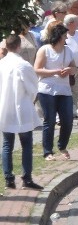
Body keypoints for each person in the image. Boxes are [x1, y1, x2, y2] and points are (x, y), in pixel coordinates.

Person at [1, 35, 43, 190]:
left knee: (7, 144)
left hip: (5, 107)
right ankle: (26, 177)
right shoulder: (23, 65)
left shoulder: (2, 64)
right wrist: (31, 100)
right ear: (19, 46)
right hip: (22, 106)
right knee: (26, 144)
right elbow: (33, 88)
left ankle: (8, 178)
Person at [34, 24, 75, 160]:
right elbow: (37, 69)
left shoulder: (68, 50)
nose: (66, 38)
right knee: (49, 120)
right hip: (47, 89)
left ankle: (62, 145)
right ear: (58, 36)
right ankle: (47, 151)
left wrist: (70, 71)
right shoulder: (45, 50)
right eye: (64, 36)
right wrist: (55, 72)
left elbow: (75, 68)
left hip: (64, 89)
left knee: (68, 120)